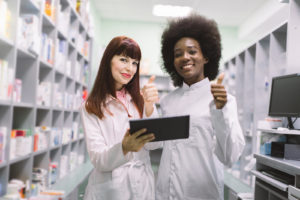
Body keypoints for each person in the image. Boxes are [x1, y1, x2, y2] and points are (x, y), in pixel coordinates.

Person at [156, 14, 246, 200]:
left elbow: (231, 156)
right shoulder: (167, 101)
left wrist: (220, 111)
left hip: (202, 194)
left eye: (192, 51)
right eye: (178, 54)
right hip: (165, 193)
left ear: (206, 56)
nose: (185, 58)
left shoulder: (224, 100)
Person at [80, 36, 160, 200]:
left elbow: (155, 145)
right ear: (108, 60)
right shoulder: (91, 106)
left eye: (134, 63)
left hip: (142, 187)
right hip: (109, 190)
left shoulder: (141, 98)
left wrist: (150, 107)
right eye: (123, 60)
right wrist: (124, 147)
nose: (130, 68)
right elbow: (98, 159)